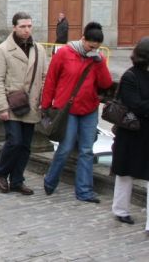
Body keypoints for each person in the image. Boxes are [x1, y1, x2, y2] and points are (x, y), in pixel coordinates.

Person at [41, 22, 113, 202]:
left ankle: (84, 191)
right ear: (83, 39)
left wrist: (100, 63)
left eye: (96, 48)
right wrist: (46, 105)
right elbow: (51, 79)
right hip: (67, 110)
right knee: (64, 148)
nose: (92, 50)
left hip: (89, 109)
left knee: (87, 150)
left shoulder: (98, 59)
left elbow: (105, 84)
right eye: (90, 46)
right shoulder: (65, 53)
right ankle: (50, 180)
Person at [0, 12, 47, 196]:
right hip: (12, 102)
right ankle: (1, 173)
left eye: (29, 26)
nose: (27, 30)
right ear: (14, 27)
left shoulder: (39, 49)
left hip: (31, 104)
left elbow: (46, 77)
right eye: (23, 26)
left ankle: (17, 180)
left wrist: (43, 99)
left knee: (25, 146)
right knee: (14, 141)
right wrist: (2, 107)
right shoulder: (2, 50)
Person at [111, 37, 149, 229]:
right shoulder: (130, 76)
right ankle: (120, 210)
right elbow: (135, 104)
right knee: (125, 173)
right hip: (131, 132)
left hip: (146, 133)